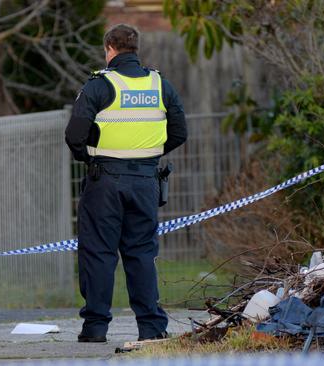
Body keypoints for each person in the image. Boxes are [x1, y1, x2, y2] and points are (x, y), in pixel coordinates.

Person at [65, 23, 188, 342]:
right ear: (135, 49)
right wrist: (147, 155)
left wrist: (89, 155)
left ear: (109, 49)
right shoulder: (160, 84)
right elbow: (179, 132)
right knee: (141, 253)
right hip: (145, 180)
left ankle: (94, 329)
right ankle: (151, 327)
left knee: (99, 253)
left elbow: (74, 134)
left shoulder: (99, 85)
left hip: (104, 180)